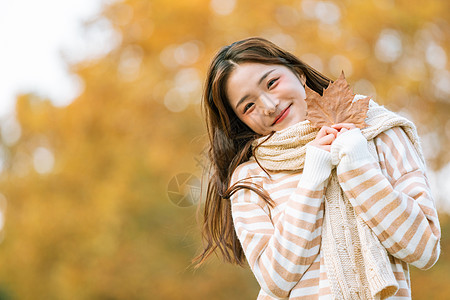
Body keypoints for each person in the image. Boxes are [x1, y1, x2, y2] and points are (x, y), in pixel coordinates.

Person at [194, 37, 441, 299]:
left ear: (298, 74)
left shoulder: (378, 132)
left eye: (271, 83)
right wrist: (312, 180)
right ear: (240, 121)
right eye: (249, 106)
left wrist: (359, 167)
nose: (269, 105)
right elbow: (275, 280)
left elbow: (424, 249)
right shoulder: (251, 177)